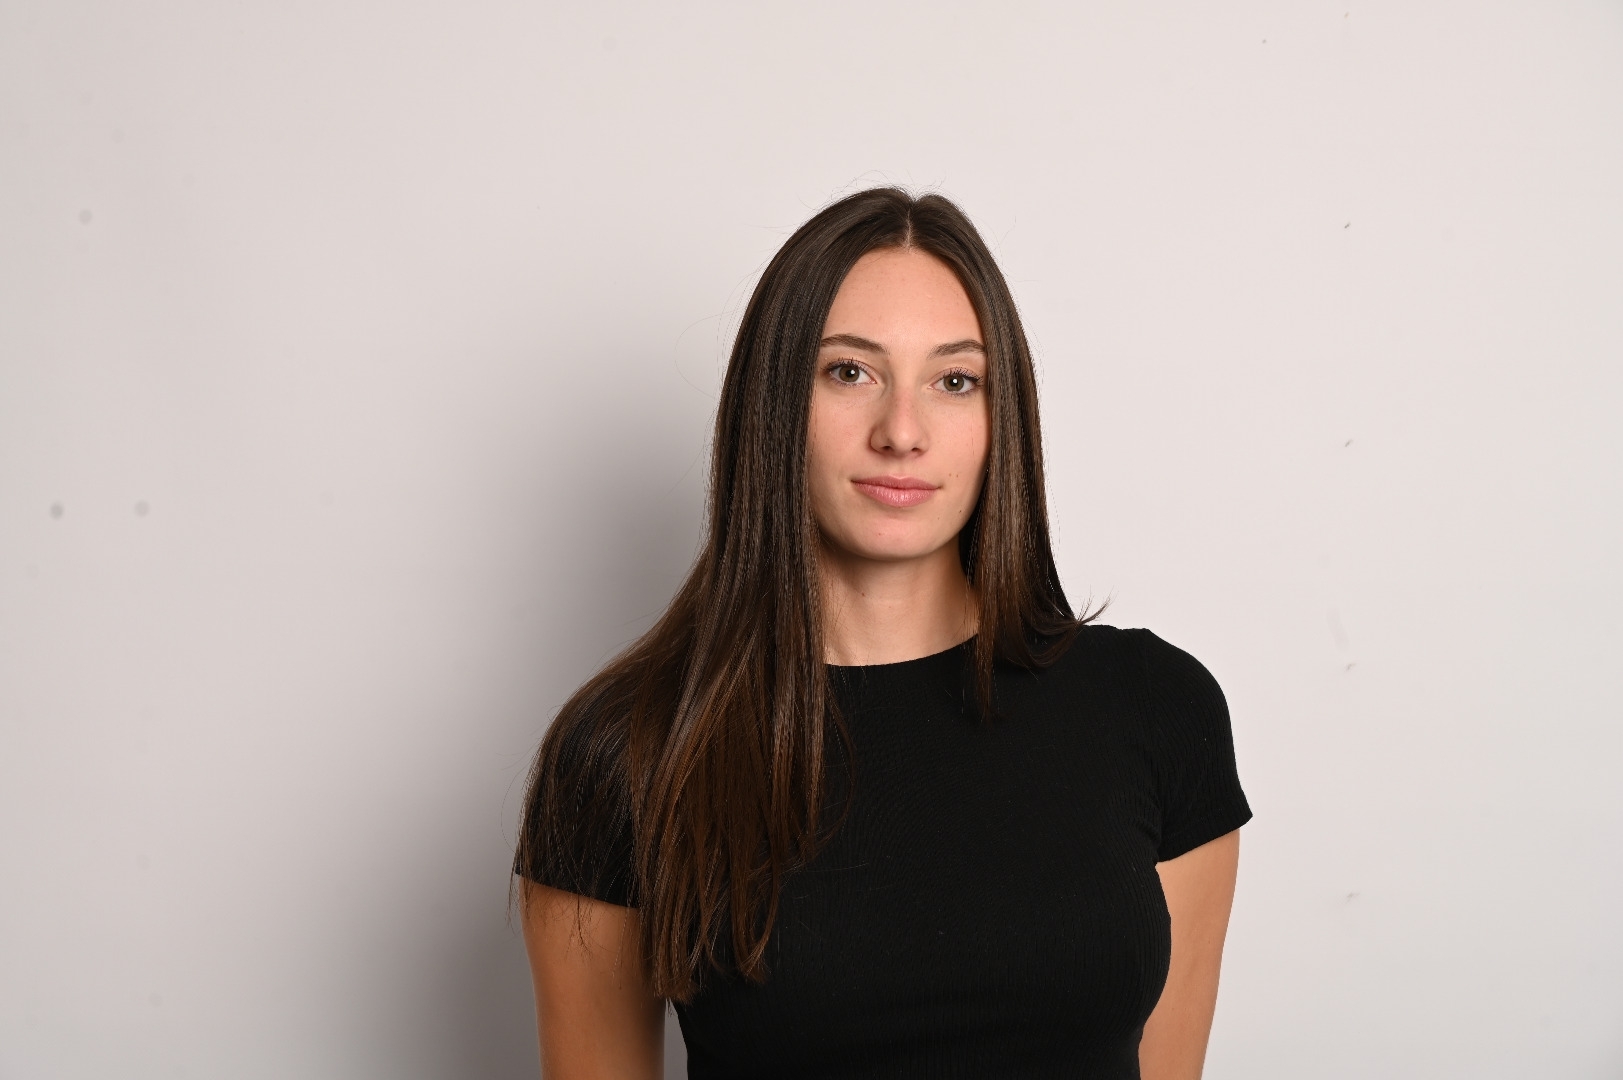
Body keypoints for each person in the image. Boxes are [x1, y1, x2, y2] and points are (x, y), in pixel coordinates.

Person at [515, 187, 1251, 1079]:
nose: (901, 433)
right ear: (773, 402)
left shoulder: (1155, 709)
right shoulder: (626, 752)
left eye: (954, 381)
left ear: (1001, 417)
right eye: (848, 372)